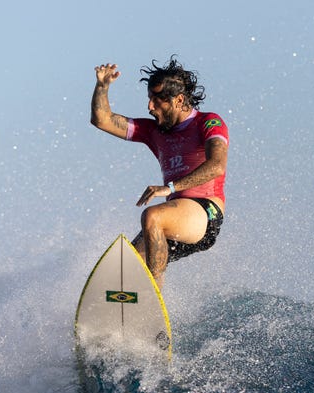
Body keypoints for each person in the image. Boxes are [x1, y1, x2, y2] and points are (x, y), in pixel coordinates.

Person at [90, 56, 229, 289]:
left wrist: (170, 188)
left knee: (152, 215)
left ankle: (154, 298)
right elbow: (101, 120)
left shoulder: (208, 122)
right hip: (172, 222)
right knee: (126, 270)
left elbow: (217, 165)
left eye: (157, 100)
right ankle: (136, 318)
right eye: (149, 99)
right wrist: (102, 87)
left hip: (205, 213)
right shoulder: (153, 131)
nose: (150, 107)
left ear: (179, 100)